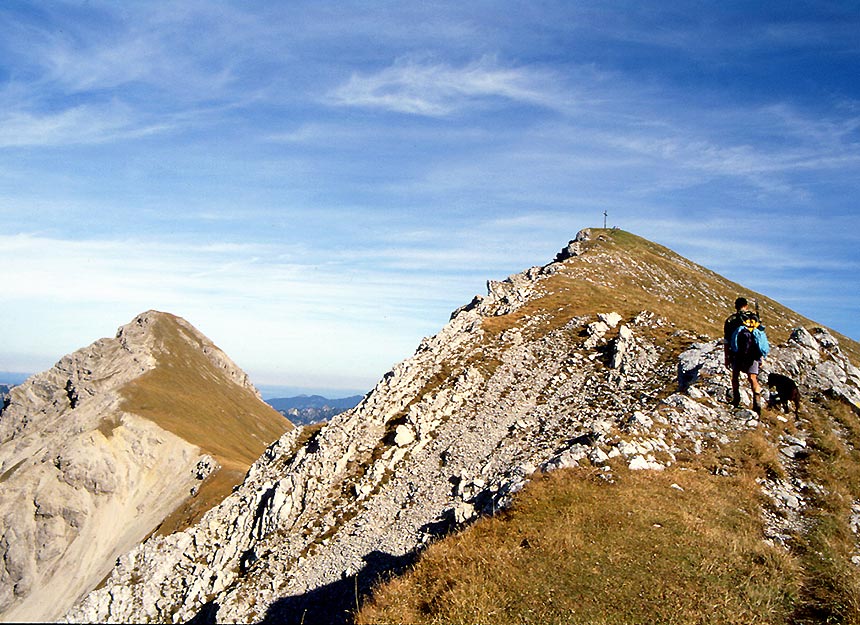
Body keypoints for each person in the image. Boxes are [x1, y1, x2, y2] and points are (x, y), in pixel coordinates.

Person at [724, 297, 767, 414]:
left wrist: (727, 358)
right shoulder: (754, 318)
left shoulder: (731, 320)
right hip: (753, 354)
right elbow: (760, 338)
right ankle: (757, 401)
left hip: (737, 354)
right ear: (746, 305)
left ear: (735, 306)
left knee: (735, 376)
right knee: (753, 378)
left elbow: (727, 341)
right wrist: (761, 357)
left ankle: (736, 399)